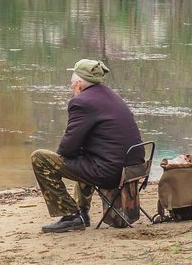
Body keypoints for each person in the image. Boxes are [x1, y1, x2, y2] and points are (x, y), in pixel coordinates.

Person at [31, 58, 142, 233]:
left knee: (40, 158)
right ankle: (82, 212)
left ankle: (72, 215)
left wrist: (75, 148)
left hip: (110, 173)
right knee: (83, 156)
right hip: (133, 169)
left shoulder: (81, 102)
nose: (71, 87)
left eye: (72, 84)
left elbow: (66, 149)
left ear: (79, 84)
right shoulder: (111, 95)